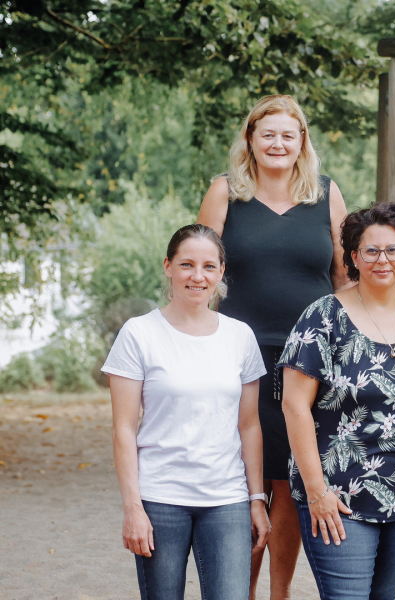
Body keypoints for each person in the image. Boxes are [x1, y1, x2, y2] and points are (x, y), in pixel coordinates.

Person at [198, 94, 350, 599]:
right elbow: (202, 269)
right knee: (247, 479)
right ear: (250, 139)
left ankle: (279, 594)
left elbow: (344, 277)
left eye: (288, 134)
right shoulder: (225, 192)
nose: (278, 143)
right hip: (240, 357)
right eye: (268, 134)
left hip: (311, 360)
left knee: (292, 482)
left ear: (302, 141)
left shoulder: (325, 194)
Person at [278, 202, 395, 600]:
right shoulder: (323, 317)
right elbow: (294, 406)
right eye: (371, 250)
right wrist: (317, 491)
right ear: (353, 257)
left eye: (393, 250)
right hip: (338, 496)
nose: (383, 260)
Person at [104, 224, 271, 600]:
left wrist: (256, 499)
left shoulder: (240, 336)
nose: (198, 276)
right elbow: (124, 429)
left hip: (226, 500)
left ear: (221, 272)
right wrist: (133, 508)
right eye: (186, 265)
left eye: (209, 266)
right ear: (168, 266)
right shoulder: (138, 333)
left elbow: (249, 426)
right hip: (160, 498)